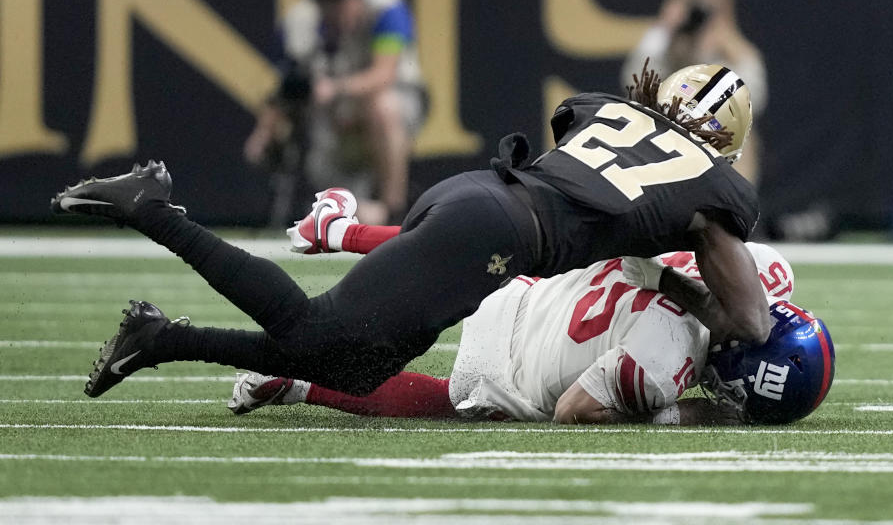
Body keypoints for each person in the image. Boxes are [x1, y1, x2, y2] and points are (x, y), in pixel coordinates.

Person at [50, 61, 770, 403]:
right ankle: (154, 212)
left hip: (478, 197)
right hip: (495, 236)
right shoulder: (716, 191)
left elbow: (589, 176)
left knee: (354, 365)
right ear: (729, 146)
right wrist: (679, 285)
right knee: (314, 332)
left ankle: (158, 339)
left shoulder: (604, 108)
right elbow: (750, 319)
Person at [228, 240, 834, 426]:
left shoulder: (765, 271)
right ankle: (299, 383)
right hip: (514, 362)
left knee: (480, 246)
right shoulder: (665, 361)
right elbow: (574, 410)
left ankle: (347, 236)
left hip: (537, 290)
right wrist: (687, 416)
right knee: (455, 401)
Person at [243, 0, 425, 226]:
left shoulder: (385, 8)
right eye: (328, 4)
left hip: (392, 104)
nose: (337, 11)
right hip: (334, 119)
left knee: (383, 106)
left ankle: (394, 207)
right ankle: (370, 213)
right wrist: (264, 133)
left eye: (342, 2)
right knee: (340, 215)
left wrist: (336, 88)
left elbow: (384, 74)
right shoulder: (303, 20)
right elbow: (287, 84)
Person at [621, 0, 767, 186]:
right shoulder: (662, 43)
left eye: (708, 11)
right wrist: (667, 36)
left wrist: (723, 49)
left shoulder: (733, 50)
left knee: (743, 141)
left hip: (718, 160)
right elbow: (635, 88)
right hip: (666, 150)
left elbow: (753, 101)